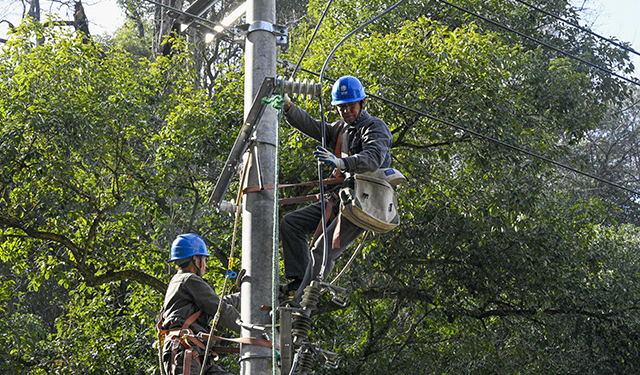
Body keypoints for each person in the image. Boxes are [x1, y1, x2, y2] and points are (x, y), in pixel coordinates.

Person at [280, 75, 393, 306]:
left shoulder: (374, 127)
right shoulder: (341, 128)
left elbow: (372, 158)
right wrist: (288, 106)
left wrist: (343, 163)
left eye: (351, 105)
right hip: (341, 197)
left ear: (362, 103)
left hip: (364, 202)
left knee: (323, 250)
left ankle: (300, 306)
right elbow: (314, 126)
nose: (346, 111)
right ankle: (300, 281)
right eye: (341, 107)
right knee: (291, 223)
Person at [158, 233, 241, 375]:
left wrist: (246, 295)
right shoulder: (189, 280)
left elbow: (218, 303)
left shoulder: (179, 282)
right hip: (186, 353)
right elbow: (220, 310)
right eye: (204, 260)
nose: (206, 265)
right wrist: (252, 332)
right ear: (195, 260)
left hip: (192, 354)